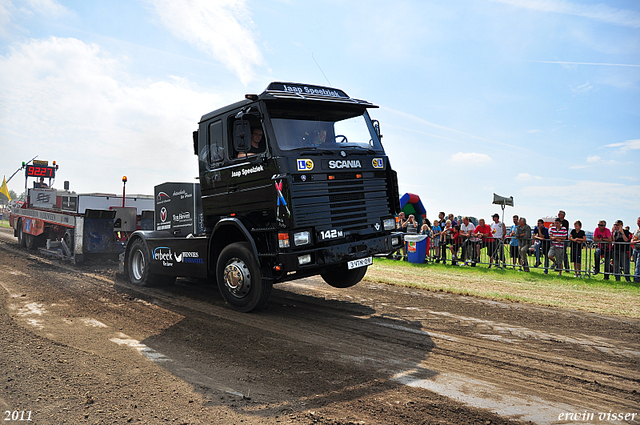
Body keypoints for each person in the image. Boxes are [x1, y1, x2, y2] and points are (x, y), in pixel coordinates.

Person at [632, 217, 640, 283]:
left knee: (638, 264)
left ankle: (637, 279)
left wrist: (636, 241)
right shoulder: (636, 231)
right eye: (638, 221)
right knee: (635, 263)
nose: (638, 223)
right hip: (635, 249)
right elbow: (633, 237)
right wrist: (632, 241)